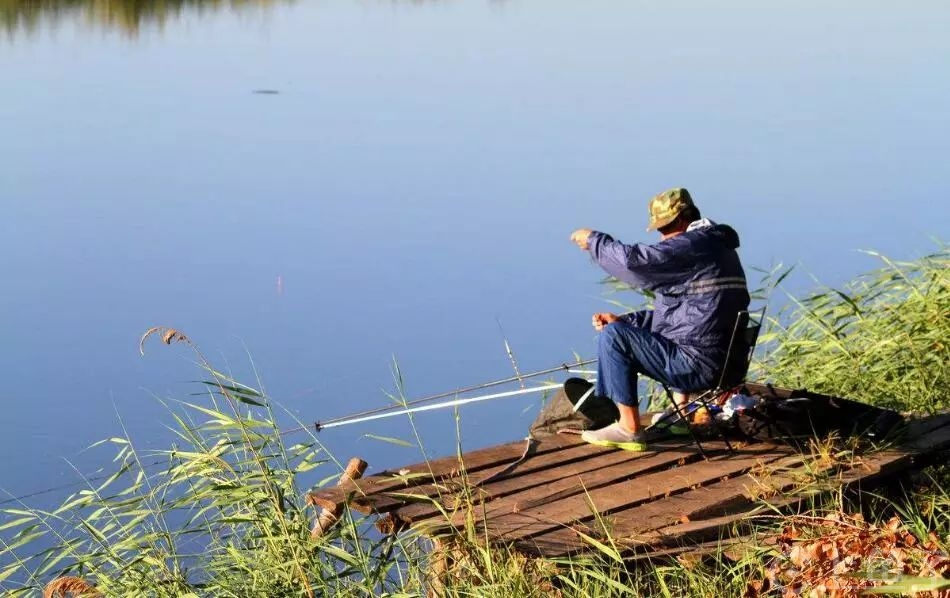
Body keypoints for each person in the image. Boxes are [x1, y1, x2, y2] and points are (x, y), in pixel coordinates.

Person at [569, 188, 750, 451]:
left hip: (698, 366)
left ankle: (628, 428)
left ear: (682, 219)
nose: (663, 237)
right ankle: (682, 413)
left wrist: (595, 241)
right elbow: (686, 316)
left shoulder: (692, 245)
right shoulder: (717, 247)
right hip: (726, 365)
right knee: (621, 329)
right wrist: (626, 321)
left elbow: (635, 263)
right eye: (659, 230)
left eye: (665, 228)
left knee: (613, 337)